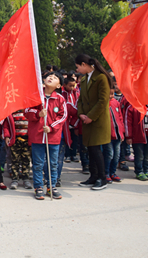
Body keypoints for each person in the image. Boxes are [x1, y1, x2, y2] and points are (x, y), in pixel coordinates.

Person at [25, 72, 68, 200]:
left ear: (59, 85)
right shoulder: (36, 96)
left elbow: (63, 116)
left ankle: (51, 186)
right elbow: (27, 111)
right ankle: (38, 187)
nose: (51, 78)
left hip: (53, 137)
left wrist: (51, 127)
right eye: (49, 76)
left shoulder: (60, 99)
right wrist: (38, 114)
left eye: (55, 78)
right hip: (37, 137)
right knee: (37, 163)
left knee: (52, 163)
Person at [75, 54, 112, 190]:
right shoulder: (84, 80)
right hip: (87, 120)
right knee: (90, 149)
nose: (77, 69)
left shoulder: (101, 78)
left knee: (96, 149)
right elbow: (80, 100)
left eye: (78, 66)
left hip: (98, 120)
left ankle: (102, 178)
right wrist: (81, 114)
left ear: (84, 64)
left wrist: (90, 116)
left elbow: (103, 101)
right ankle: (93, 176)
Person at [125, 102, 148, 181]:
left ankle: (147, 171)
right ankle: (139, 171)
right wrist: (129, 136)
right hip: (138, 136)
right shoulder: (132, 107)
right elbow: (128, 123)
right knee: (139, 156)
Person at [105, 89, 124, 183]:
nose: (111, 96)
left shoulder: (116, 102)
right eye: (109, 94)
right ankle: (106, 173)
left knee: (116, 155)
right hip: (108, 134)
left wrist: (122, 131)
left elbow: (120, 117)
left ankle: (113, 172)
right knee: (109, 155)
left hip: (117, 134)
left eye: (112, 94)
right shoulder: (103, 104)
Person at [10, 109, 32, 189]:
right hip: (15, 140)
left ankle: (26, 179)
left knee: (26, 160)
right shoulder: (12, 110)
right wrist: (6, 135)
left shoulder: (29, 111)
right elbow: (7, 124)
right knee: (15, 161)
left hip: (27, 140)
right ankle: (15, 179)